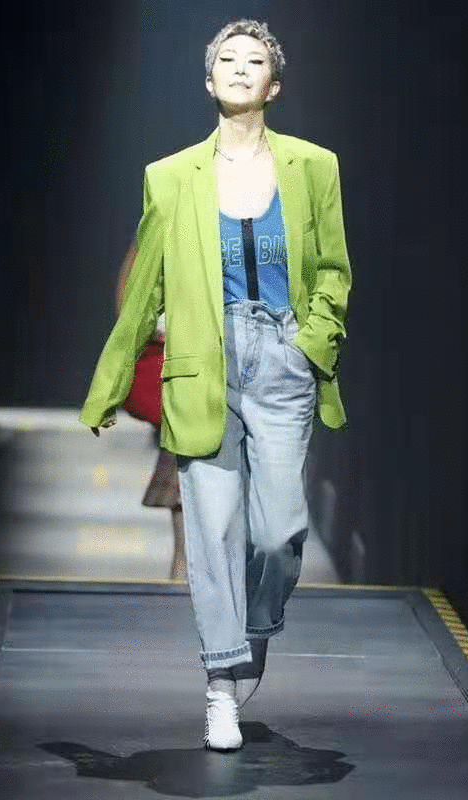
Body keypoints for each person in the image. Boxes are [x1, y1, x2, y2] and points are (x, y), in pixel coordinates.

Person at [80, 18, 352, 751]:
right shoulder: (170, 176)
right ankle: (221, 686)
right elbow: (144, 289)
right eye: (226, 59)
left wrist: (312, 340)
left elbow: (334, 269)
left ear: (275, 83)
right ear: (208, 81)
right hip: (205, 359)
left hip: (283, 360)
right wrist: (111, 383)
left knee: (278, 530)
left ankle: (255, 630)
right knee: (212, 528)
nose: (238, 68)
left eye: (253, 60)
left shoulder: (314, 167)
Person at [115, 243, 186, 581]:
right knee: (185, 475)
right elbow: (128, 294)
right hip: (179, 375)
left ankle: (183, 575)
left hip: (210, 369)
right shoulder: (160, 227)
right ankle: (182, 576)